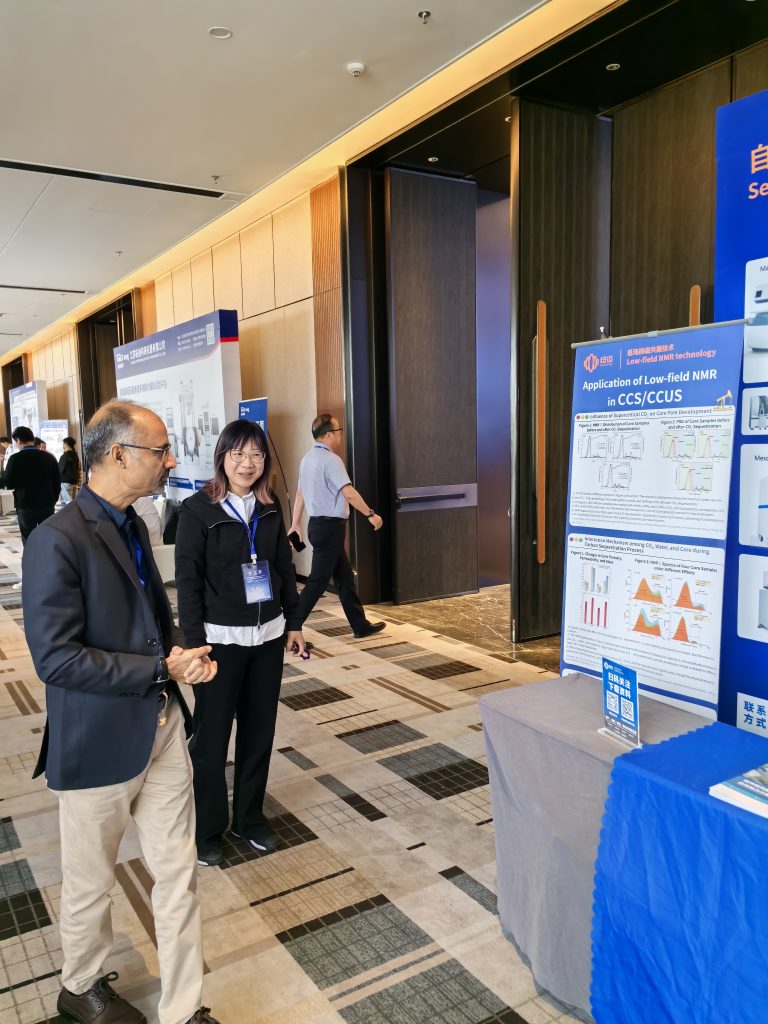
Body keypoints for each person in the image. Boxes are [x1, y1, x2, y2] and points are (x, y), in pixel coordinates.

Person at [22, 400, 220, 1024]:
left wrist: (181, 655)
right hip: (98, 740)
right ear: (117, 455)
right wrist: (162, 669)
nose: (170, 460)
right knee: (91, 881)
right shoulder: (56, 540)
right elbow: (56, 659)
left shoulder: (134, 523)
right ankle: (79, 986)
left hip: (161, 727)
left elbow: (152, 621)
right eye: (160, 450)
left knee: (178, 873)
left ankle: (184, 1008)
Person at [175, 419, 306, 867]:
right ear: (222, 458)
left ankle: (249, 819)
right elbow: (188, 584)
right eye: (238, 454)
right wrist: (195, 644)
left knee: (259, 732)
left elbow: (283, 568)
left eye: (256, 455)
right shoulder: (197, 511)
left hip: (267, 637)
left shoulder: (269, 507)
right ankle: (208, 828)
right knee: (211, 739)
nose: (247, 464)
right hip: (219, 641)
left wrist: (294, 622)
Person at [289, 413, 385, 638]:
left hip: (317, 526)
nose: (341, 435)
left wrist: (295, 523)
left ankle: (360, 625)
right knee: (317, 582)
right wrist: (371, 514)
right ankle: (289, 629)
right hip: (330, 528)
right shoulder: (331, 460)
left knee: (344, 578)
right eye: (339, 431)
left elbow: (300, 493)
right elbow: (348, 492)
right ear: (329, 435)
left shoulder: (307, 459)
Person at [4, 425, 61, 544]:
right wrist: (53, 499)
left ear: (18, 440)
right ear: (32, 439)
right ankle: (47, 555)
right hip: (47, 503)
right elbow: (57, 481)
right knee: (47, 535)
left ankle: (31, 556)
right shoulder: (49, 457)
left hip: (25, 504)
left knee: (28, 537)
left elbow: (9, 482)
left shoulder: (15, 459)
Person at [59, 435, 82, 504]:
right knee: (72, 503)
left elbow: (60, 470)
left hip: (65, 482)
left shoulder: (65, 456)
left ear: (66, 444)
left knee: (67, 503)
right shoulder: (75, 455)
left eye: (63, 444)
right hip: (74, 482)